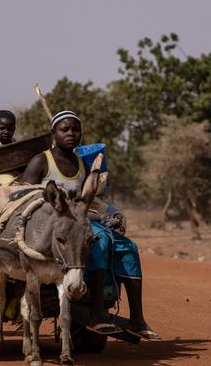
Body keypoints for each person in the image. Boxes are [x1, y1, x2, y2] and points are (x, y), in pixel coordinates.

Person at [22, 110, 160, 341]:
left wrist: (111, 214)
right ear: (53, 133)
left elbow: (90, 201)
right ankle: (96, 313)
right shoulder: (41, 161)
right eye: (64, 129)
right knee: (100, 241)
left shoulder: (81, 164)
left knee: (129, 248)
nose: (71, 134)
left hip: (79, 222)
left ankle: (137, 318)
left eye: (75, 129)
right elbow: (24, 195)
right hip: (51, 226)